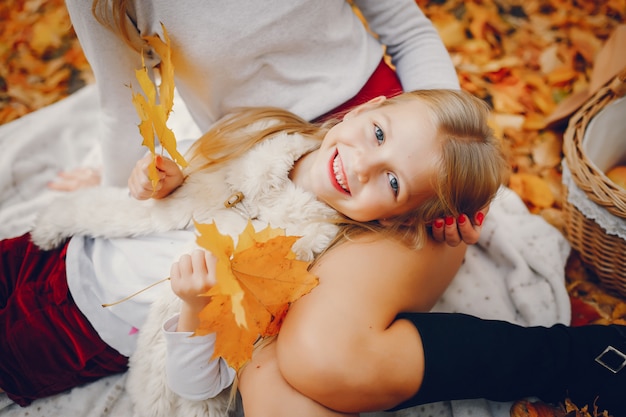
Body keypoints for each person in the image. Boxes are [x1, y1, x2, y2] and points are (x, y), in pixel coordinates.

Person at [0, 89, 503, 412]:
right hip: (58, 248)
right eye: (377, 134)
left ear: (394, 217)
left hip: (78, 330)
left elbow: (200, 386)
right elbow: (182, 179)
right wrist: (162, 180)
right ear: (371, 107)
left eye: (392, 181)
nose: (362, 165)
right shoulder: (263, 135)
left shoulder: (297, 268)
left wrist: (196, 310)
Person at [56, 0, 460, 190]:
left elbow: (409, 32)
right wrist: (118, 193)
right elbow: (127, 105)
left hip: (385, 131)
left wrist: (447, 155)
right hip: (257, 170)